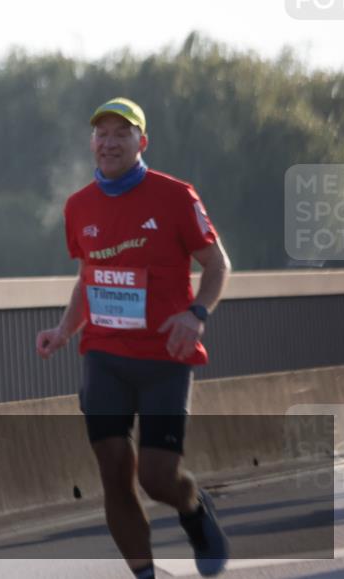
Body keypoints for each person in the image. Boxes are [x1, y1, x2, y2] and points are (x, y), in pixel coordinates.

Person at [35, 98, 232, 579]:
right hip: (104, 355)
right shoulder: (78, 205)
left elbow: (217, 264)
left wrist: (196, 313)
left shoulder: (175, 196)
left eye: (121, 133)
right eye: (101, 133)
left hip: (166, 356)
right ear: (92, 143)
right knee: (114, 473)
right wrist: (65, 329)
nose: (109, 142)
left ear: (141, 142)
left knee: (157, 477)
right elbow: (89, 276)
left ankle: (193, 509)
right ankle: (144, 573)